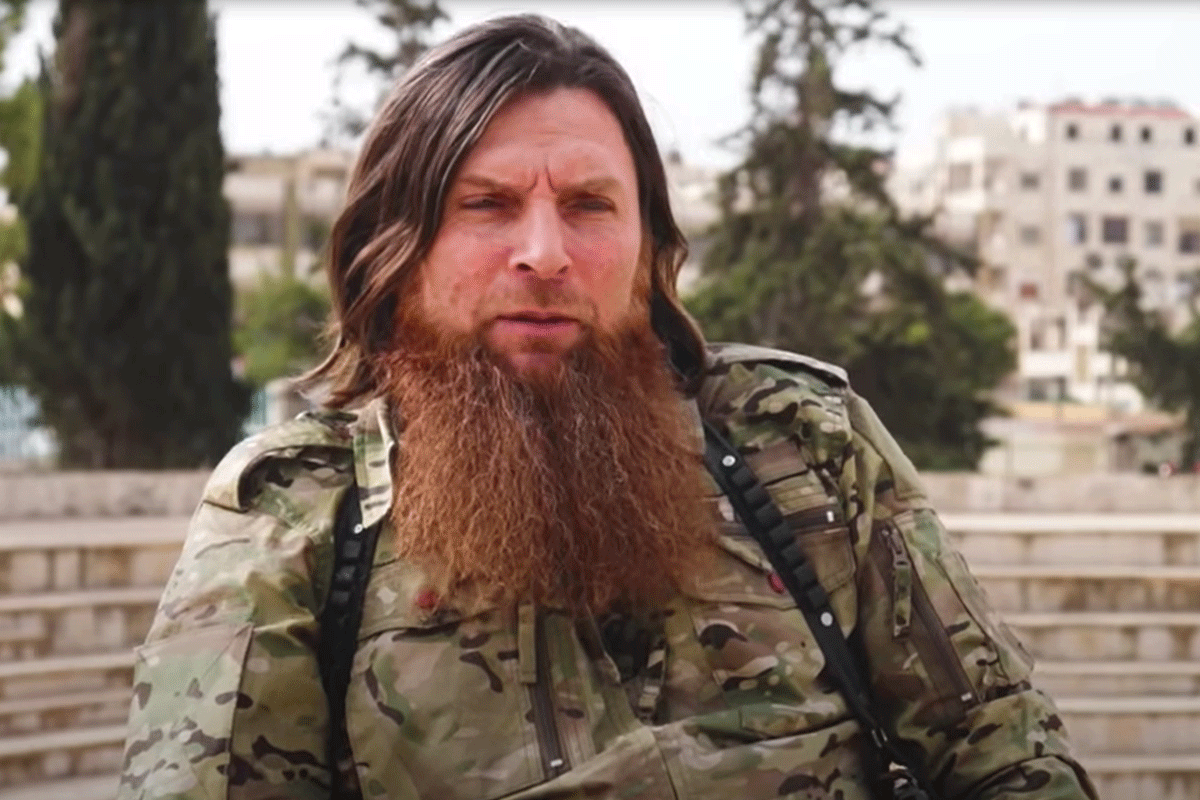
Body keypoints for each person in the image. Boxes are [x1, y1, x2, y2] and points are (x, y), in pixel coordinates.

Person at [118, 14, 1096, 800]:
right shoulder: (292, 516)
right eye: (487, 204)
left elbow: (1005, 755)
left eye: (590, 206)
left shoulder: (802, 444)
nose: (545, 252)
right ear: (396, 249)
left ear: (648, 249)